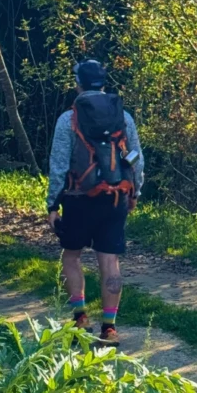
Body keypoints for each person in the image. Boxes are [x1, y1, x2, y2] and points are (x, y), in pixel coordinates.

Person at [46, 59, 144, 345]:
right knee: (110, 261)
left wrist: (53, 204)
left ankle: (80, 318)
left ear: (78, 83)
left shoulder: (69, 119)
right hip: (115, 197)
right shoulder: (124, 117)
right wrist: (134, 192)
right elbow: (136, 158)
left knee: (72, 255)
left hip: (78, 198)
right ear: (104, 82)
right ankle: (109, 327)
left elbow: (59, 164)